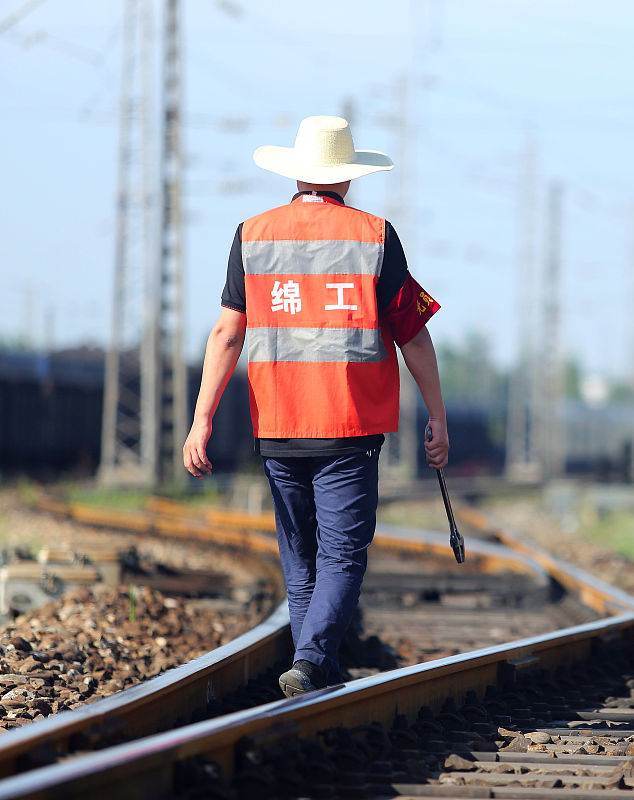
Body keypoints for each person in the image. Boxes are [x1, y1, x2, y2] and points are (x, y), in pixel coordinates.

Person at [182, 115, 449, 697]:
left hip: (277, 422)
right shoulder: (375, 236)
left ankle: (313, 669)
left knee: (301, 556)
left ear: (298, 174)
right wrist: (438, 415)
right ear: (347, 179)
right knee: (343, 552)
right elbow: (414, 335)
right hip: (349, 426)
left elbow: (227, 333)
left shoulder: (253, 233)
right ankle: (312, 661)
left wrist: (201, 418)